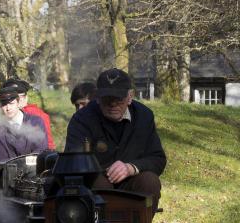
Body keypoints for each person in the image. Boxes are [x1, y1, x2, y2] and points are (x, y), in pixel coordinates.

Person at [65, 68, 166, 212]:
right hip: (97, 181)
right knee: (99, 185)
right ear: (98, 98)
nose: (112, 104)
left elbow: (158, 159)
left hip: (133, 179)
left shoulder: (144, 116)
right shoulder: (82, 119)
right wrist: (106, 171)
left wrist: (130, 167)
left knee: (150, 181)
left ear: (130, 97)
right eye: (107, 99)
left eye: (118, 99)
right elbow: (73, 161)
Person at [0, 87, 48, 164]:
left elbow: (41, 150)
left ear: (18, 103)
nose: (8, 108)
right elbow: (0, 159)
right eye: (4, 104)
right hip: (10, 173)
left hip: (36, 171)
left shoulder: (36, 122)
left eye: (11, 103)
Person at [1, 78, 55, 149]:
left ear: (25, 98)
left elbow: (48, 145)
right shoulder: (2, 114)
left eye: (17, 98)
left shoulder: (36, 115)